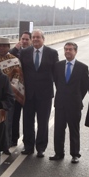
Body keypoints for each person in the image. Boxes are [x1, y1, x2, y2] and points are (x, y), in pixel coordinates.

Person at [19, 29, 59, 158]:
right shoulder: (24, 52)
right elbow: (20, 72)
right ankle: (28, 146)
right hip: (28, 94)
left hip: (45, 94)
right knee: (27, 121)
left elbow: (56, 73)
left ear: (43, 39)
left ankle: (41, 148)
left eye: (38, 37)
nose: (35, 39)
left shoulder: (52, 53)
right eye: (34, 37)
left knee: (43, 122)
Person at [49, 42, 88, 163]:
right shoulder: (58, 65)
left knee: (74, 130)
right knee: (59, 129)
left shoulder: (82, 67)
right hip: (60, 103)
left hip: (74, 104)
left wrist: (77, 97)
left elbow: (85, 86)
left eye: (70, 49)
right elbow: (56, 81)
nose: (67, 51)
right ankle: (58, 153)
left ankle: (75, 154)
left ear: (75, 51)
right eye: (65, 49)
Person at [0, 37, 25, 155]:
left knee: (7, 122)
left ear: (8, 47)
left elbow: (17, 78)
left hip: (8, 96)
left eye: (4, 46)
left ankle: (6, 145)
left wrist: (7, 91)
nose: (2, 48)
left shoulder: (15, 60)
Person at [9, 31, 31, 146]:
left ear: (31, 41)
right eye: (23, 39)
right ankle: (13, 138)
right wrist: (15, 48)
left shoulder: (32, 52)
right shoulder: (16, 52)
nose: (24, 41)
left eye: (27, 39)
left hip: (29, 90)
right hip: (17, 89)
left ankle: (27, 141)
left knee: (27, 119)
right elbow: (9, 58)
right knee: (14, 116)